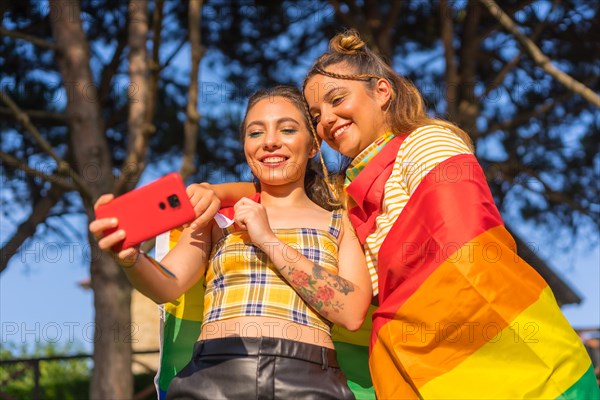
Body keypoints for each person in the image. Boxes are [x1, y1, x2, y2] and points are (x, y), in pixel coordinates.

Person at [187, 31, 599, 399]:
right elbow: (274, 189)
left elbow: (462, 244)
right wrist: (215, 192)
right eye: (315, 117)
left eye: (336, 99)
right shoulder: (343, 191)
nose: (327, 119)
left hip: (497, 349)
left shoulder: (425, 141)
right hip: (418, 362)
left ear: (382, 91)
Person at [89, 85, 372, 399]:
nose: (270, 142)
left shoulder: (338, 221)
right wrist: (132, 260)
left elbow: (351, 311)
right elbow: (167, 285)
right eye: (255, 133)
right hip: (212, 376)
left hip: (309, 381)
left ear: (312, 145)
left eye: (288, 129)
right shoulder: (218, 217)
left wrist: (268, 240)